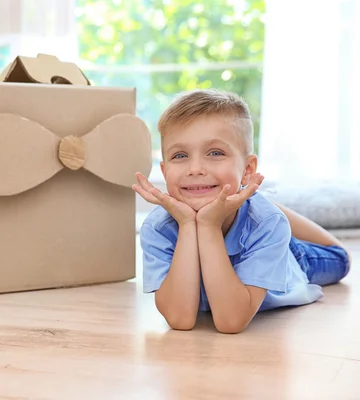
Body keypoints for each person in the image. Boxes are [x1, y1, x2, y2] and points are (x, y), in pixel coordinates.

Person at [133, 89, 351, 334]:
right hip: (254, 228)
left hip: (291, 259)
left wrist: (208, 225)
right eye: (180, 155)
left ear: (247, 169)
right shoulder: (157, 228)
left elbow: (230, 321)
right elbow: (180, 319)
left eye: (215, 153)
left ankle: (259, 201)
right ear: (164, 172)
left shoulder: (266, 224)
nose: (195, 168)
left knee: (341, 259)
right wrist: (187, 225)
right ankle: (251, 197)